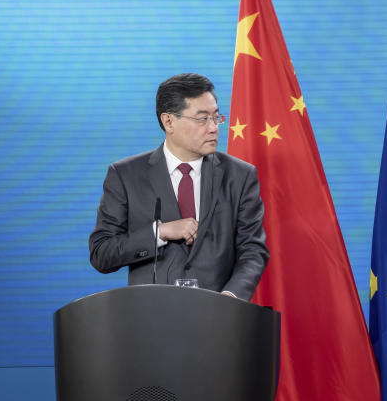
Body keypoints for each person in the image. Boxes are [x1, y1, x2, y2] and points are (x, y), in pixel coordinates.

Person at [89, 73, 268, 299]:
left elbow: (253, 251)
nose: (213, 128)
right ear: (169, 121)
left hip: (219, 321)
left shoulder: (240, 176)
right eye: (202, 119)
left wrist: (231, 298)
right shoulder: (125, 175)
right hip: (151, 321)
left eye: (216, 117)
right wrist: (160, 232)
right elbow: (101, 253)